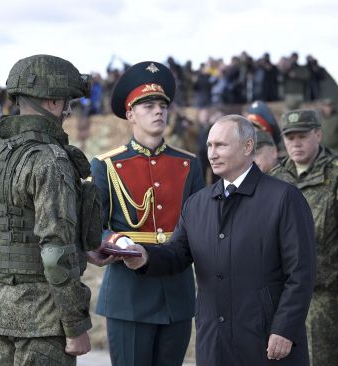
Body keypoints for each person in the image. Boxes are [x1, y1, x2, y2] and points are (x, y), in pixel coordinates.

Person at [116, 115, 316, 365]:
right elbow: (177, 254)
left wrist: (284, 329)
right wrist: (144, 257)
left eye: (221, 145)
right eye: (209, 145)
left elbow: (301, 273)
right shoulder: (197, 204)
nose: (212, 153)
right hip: (215, 341)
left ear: (247, 147)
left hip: (266, 340)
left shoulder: (284, 198)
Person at [0, 54, 103, 366]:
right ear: (53, 101)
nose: (69, 110)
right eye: (67, 100)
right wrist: (75, 324)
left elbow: (11, 229)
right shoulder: (49, 159)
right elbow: (55, 252)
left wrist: (86, 250)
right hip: (43, 321)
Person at [90, 61, 205, 366]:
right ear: (130, 114)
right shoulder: (106, 165)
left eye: (162, 105)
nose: (158, 112)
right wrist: (118, 242)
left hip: (176, 288)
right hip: (129, 291)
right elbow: (93, 228)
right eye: (148, 105)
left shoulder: (189, 163)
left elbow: (198, 225)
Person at [270, 109, 338, 366]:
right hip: (283, 296)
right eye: (290, 138)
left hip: (326, 296)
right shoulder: (275, 178)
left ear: (318, 134)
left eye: (302, 136)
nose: (295, 143)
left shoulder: (334, 174)